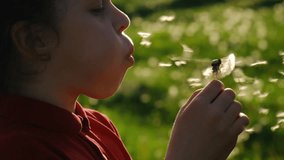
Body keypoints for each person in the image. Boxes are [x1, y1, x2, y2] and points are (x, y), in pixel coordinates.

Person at [0, 0, 249, 160]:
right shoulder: (18, 149)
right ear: (36, 41)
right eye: (97, 8)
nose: (124, 19)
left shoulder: (99, 126)